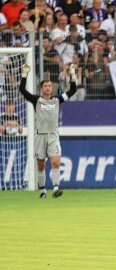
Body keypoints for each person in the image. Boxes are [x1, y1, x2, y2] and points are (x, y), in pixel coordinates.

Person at [18, 64, 77, 199]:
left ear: (52, 88)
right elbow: (22, 89)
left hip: (53, 136)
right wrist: (24, 74)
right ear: (41, 88)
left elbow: (73, 90)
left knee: (56, 161)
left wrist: (72, 74)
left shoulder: (57, 100)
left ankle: (56, 188)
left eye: (50, 86)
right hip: (40, 135)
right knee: (40, 164)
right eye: (45, 86)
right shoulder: (36, 100)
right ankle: (43, 190)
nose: (48, 88)